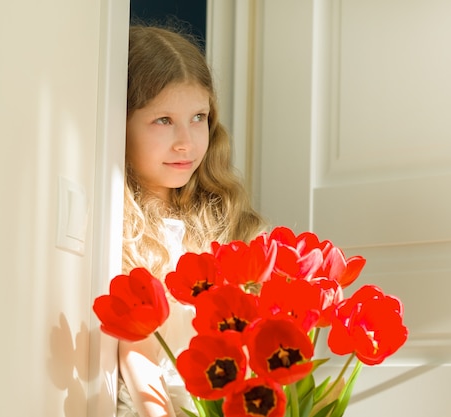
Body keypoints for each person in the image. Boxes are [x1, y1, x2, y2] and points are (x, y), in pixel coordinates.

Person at [118, 25, 266, 417]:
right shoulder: (117, 227)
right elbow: (138, 352)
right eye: (163, 120)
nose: (186, 141)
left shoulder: (222, 220)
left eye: (198, 117)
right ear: (119, 123)